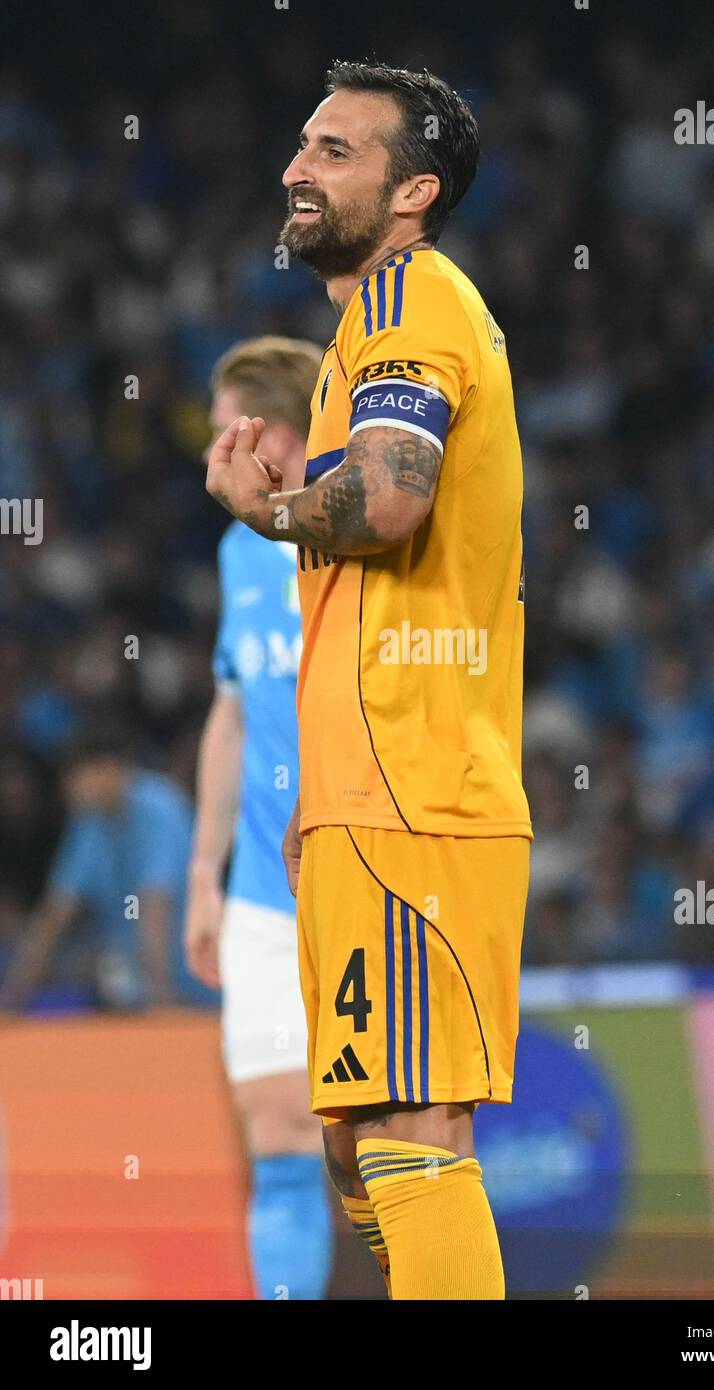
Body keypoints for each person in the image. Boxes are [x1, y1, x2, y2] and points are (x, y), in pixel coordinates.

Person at [206, 61, 532, 1301]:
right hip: (362, 795)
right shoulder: (366, 323)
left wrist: (268, 507)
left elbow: (389, 501)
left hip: (415, 786)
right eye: (302, 143)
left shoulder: (409, 296)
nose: (297, 167)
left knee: (412, 1130)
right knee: (354, 1135)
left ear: (414, 193)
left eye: (336, 152)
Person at [185, 336, 333, 1300]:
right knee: (279, 1136)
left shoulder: (363, 530)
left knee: (391, 1143)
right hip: (261, 895)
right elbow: (233, 712)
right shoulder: (240, 551)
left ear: (267, 431)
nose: (208, 457)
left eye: (218, 433)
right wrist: (205, 875)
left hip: (370, 876)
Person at [0, 727, 210, 1011]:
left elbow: (154, 910)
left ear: (112, 768)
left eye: (80, 775)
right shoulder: (90, 821)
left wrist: (161, 1003)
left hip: (190, 989)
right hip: (138, 993)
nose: (72, 787)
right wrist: (12, 998)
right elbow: (55, 915)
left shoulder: (161, 811)